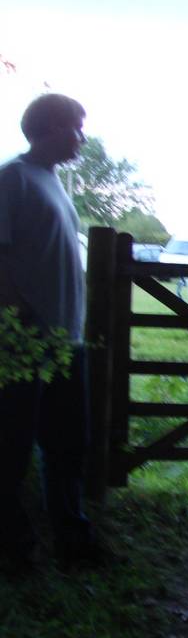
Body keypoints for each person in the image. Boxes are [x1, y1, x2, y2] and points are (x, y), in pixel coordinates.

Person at [0, 94, 100, 573]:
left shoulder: (54, 181)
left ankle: (72, 543)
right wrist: (18, 322)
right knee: (12, 447)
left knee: (67, 444)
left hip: (65, 342)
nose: (82, 137)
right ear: (50, 128)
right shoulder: (12, 180)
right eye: (76, 127)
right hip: (26, 343)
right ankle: (15, 550)